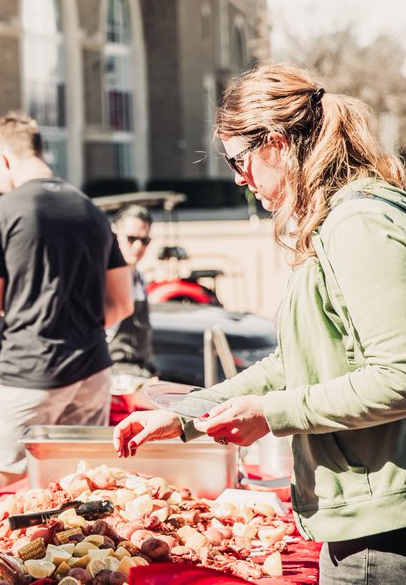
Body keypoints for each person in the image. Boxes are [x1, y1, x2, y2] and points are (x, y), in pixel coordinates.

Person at [114, 64, 406, 583]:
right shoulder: (335, 217)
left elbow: (399, 375)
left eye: (238, 159)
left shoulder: (359, 222)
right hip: (362, 522)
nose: (237, 177)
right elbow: (298, 360)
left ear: (275, 143)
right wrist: (190, 414)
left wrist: (272, 414)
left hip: (383, 531)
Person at [0, 112, 133, 493]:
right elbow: (123, 303)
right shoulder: (93, 213)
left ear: (2, 159)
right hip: (92, 371)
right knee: (80, 491)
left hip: (29, 373)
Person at [107, 205, 157, 379]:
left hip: (141, 373)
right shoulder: (103, 279)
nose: (138, 246)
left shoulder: (139, 278)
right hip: (115, 376)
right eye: (131, 238)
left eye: (145, 240)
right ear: (114, 234)